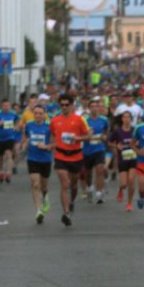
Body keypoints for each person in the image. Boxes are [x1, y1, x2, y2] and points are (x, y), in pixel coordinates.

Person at [49, 94, 92, 226]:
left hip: (76, 156)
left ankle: (72, 201)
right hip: (61, 156)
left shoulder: (79, 120)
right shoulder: (55, 120)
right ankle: (66, 213)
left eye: (67, 105)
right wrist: (53, 146)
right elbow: (52, 134)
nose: (64, 107)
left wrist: (78, 139)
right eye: (62, 105)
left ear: (72, 106)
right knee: (65, 184)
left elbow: (89, 135)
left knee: (74, 185)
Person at [22, 105, 52, 223]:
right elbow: (25, 138)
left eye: (40, 113)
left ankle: (45, 197)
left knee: (44, 186)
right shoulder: (29, 125)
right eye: (36, 113)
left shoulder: (49, 126)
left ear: (44, 114)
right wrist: (24, 144)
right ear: (33, 113)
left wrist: (46, 146)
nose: (38, 115)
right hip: (32, 158)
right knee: (35, 184)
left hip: (45, 159)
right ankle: (38, 211)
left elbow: (54, 143)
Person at [83, 98, 109, 204]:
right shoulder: (84, 120)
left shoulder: (104, 120)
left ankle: (99, 193)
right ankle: (89, 188)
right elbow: (80, 134)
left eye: (96, 106)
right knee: (88, 173)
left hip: (99, 149)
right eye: (92, 106)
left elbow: (106, 132)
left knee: (100, 170)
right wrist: (87, 136)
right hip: (88, 150)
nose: (94, 108)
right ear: (89, 109)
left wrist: (104, 137)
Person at [110, 112, 138, 211]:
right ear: (122, 119)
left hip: (133, 159)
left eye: (128, 117)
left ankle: (129, 203)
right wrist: (116, 146)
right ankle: (121, 190)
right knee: (124, 184)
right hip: (122, 160)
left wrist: (137, 144)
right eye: (125, 117)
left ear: (131, 119)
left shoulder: (135, 130)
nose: (126, 119)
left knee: (131, 180)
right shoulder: (117, 131)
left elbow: (139, 141)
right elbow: (109, 142)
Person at [0, 98, 19, 183]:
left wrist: (16, 127)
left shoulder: (13, 113)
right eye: (5, 106)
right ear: (1, 106)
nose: (6, 107)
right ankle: (1, 171)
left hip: (10, 137)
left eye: (8, 105)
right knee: (0, 156)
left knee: (9, 154)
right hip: (0, 138)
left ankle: (8, 172)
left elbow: (17, 121)